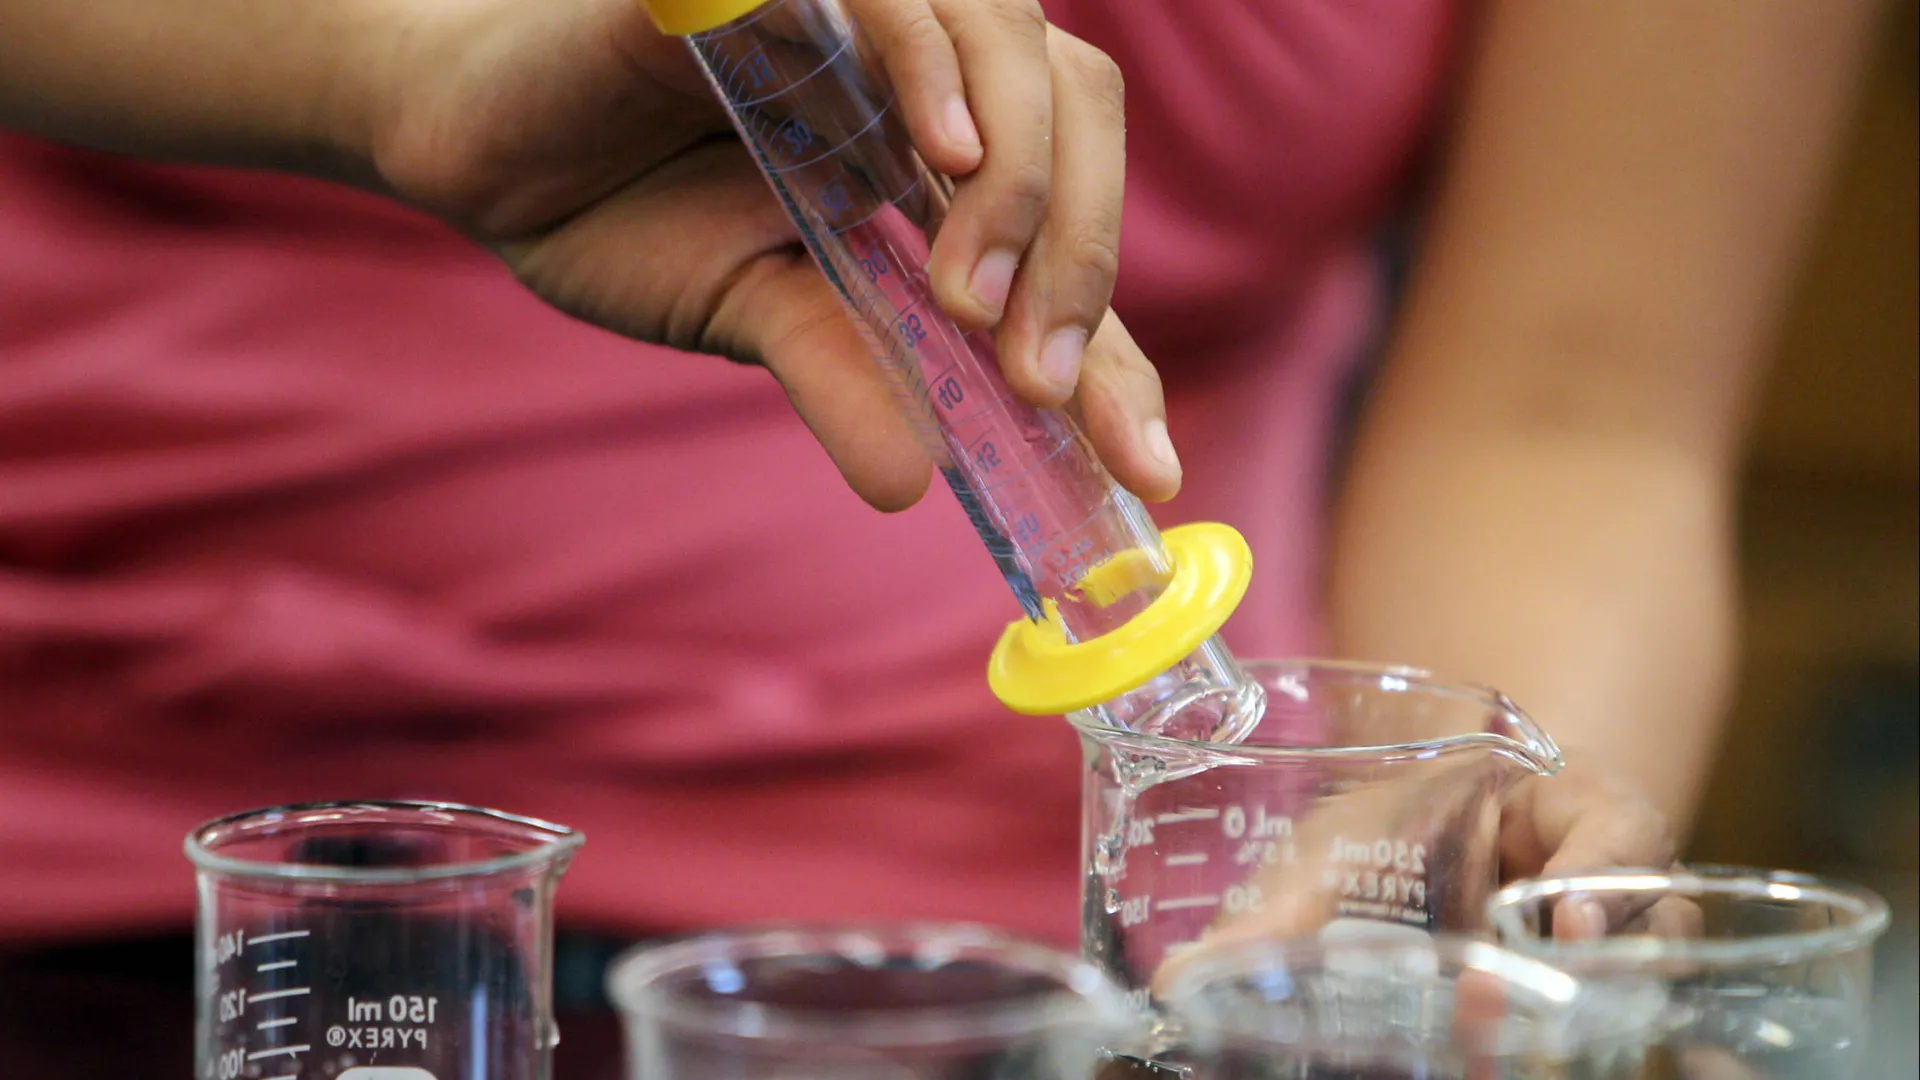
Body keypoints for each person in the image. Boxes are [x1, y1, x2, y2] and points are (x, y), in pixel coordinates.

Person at [0, 0, 1878, 1072]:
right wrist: (398, 67)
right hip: (100, 902)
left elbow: (1573, 402)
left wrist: (1433, 843)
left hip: (1041, 996)